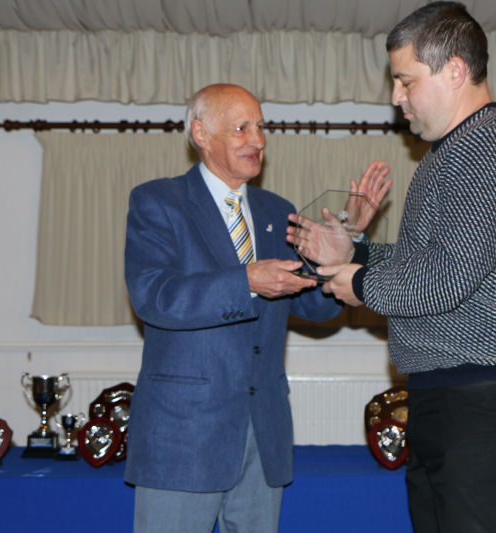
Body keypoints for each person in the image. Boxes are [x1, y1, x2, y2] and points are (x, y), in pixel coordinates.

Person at [288, 3, 496, 532]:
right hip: (453, 395)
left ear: (455, 71)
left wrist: (359, 282)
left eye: (405, 81)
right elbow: (429, 263)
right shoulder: (450, 153)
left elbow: (445, 280)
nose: (396, 97)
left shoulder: (491, 149)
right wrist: (356, 253)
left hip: (487, 399)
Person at [123, 83, 390, 533]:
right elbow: (155, 297)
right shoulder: (158, 202)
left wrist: (349, 241)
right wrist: (245, 281)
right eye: (242, 128)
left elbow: (321, 308)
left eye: (262, 127)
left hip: (262, 434)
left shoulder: (276, 210)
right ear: (201, 134)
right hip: (183, 437)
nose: (259, 139)